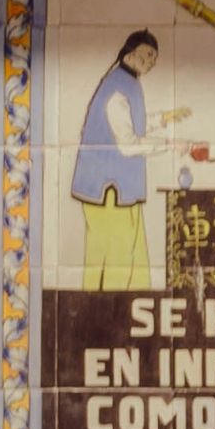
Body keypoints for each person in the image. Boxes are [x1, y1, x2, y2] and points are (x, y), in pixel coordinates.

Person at [69, 31, 183, 290]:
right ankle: (112, 311)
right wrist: (169, 144)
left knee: (130, 255)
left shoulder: (126, 82)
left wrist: (164, 119)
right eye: (148, 55)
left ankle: (119, 307)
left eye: (155, 57)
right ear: (130, 53)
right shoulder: (117, 88)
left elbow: (132, 122)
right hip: (108, 191)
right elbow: (128, 144)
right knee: (118, 258)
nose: (152, 62)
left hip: (118, 190)